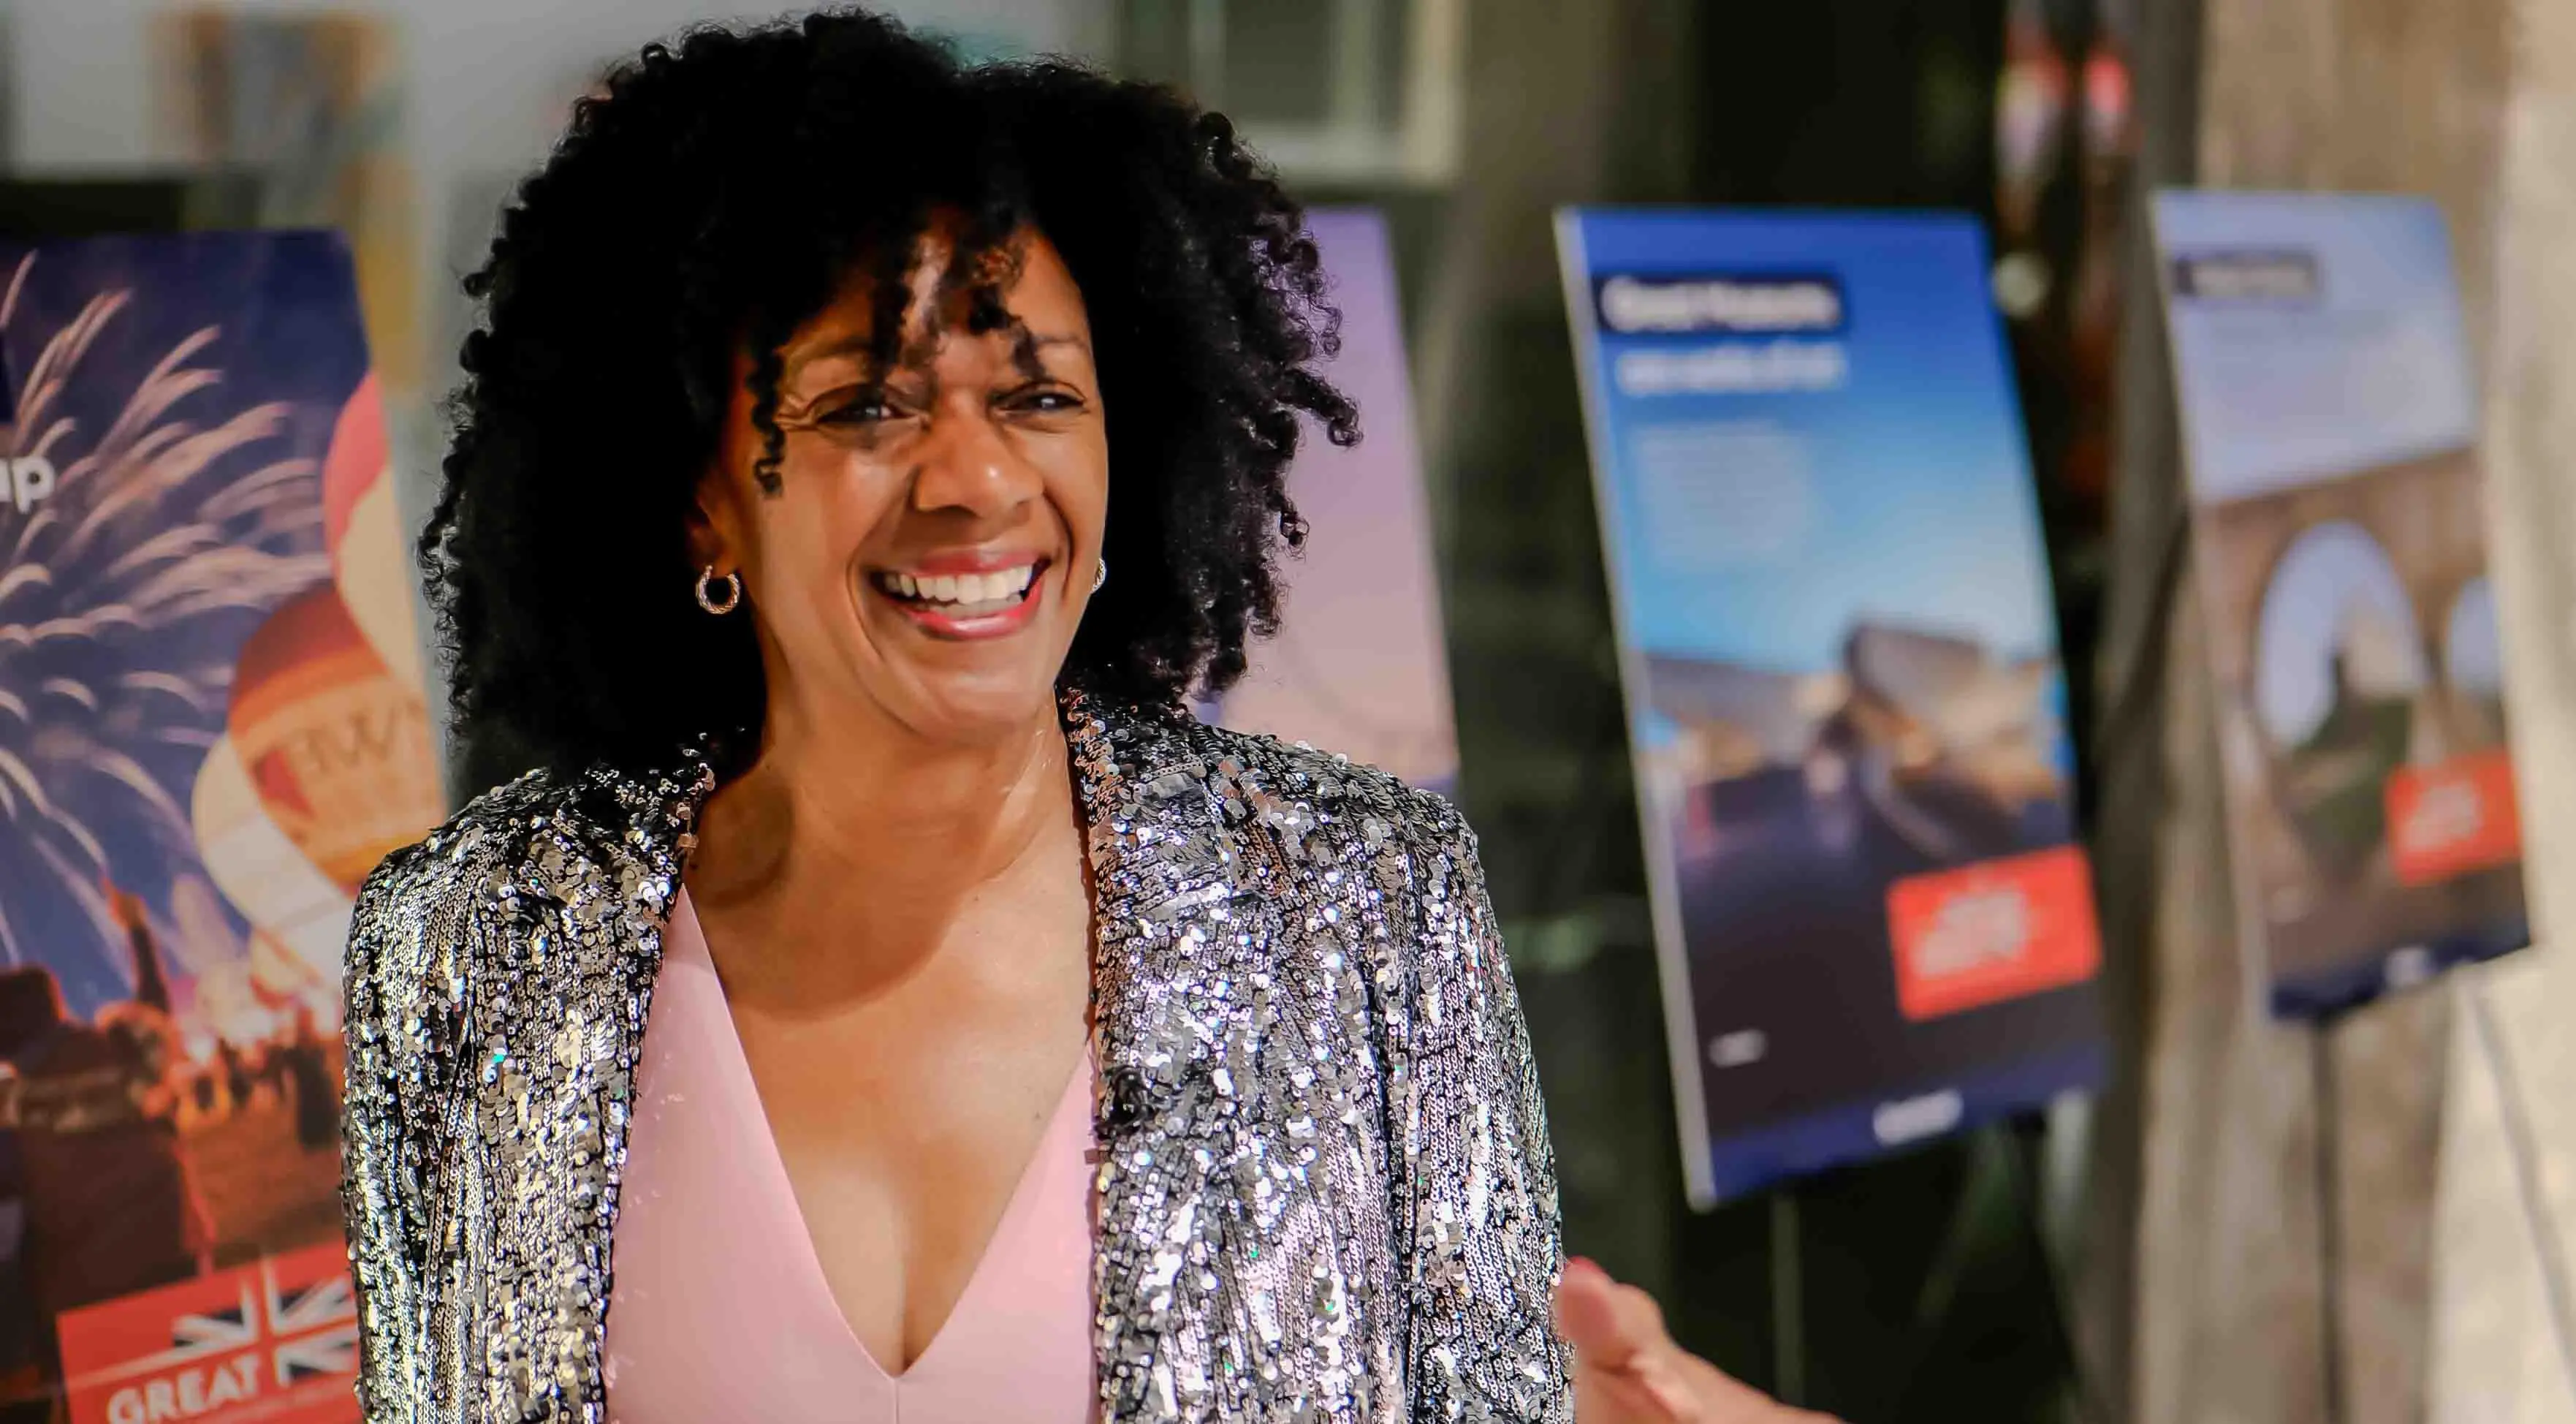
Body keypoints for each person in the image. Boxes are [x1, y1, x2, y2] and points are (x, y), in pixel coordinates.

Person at [341, 10, 1828, 1422]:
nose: (976, 481)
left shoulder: (1359, 908)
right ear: (698, 500)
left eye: (1039, 397)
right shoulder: (464, 953)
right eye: (869, 405)